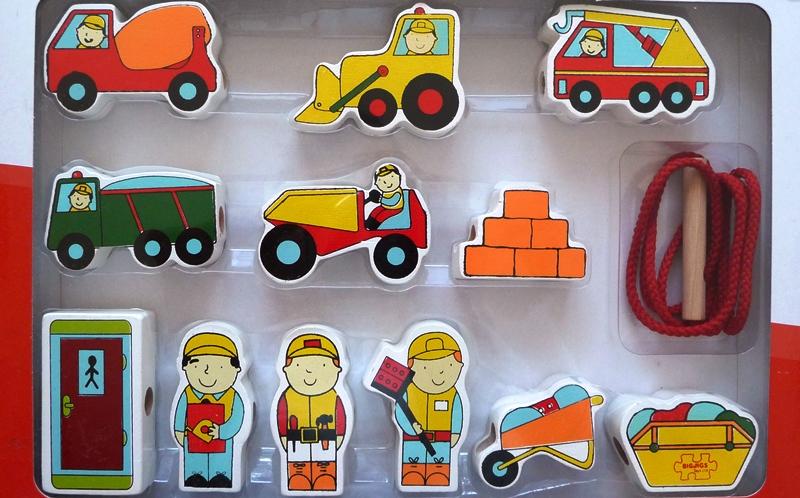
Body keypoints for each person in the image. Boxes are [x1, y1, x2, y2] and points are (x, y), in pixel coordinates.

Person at [173, 332, 246, 489]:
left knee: (221, 465)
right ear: (185, 367)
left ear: (236, 369)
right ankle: (194, 475)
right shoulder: (188, 394)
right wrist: (179, 431)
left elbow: (237, 418)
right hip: (192, 440)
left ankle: (220, 475)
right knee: (194, 465)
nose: (207, 372)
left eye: (220, 367)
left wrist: (222, 432)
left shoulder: (232, 396)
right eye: (197, 365)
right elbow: (180, 414)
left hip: (222, 442)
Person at [276, 333, 347, 492]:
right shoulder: (287, 397)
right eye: (299, 365)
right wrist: (284, 437)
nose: (309, 371)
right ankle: (298, 478)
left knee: (325, 463)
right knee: (298, 463)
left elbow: (341, 417)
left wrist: (339, 437)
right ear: (286, 368)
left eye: (322, 365)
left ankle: (325, 478)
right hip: (295, 438)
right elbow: (281, 418)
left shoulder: (334, 397)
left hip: (326, 438)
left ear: (337, 367)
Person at [395, 331, 464, 487]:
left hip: (442, 438)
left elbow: (457, 414)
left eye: (448, 365)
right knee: (413, 467)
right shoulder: (408, 391)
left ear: (459, 365)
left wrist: (455, 433)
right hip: (413, 439)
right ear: (411, 367)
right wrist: (410, 428)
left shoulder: (452, 394)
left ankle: (438, 477)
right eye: (425, 367)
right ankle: (412, 476)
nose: (437, 374)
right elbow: (400, 412)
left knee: (439, 468)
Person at [366, 164, 405, 230]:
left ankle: (374, 226)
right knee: (376, 211)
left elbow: (392, 201)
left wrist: (380, 199)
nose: (387, 183)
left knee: (383, 215)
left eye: (392, 177)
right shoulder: (386, 192)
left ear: (399, 177)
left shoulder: (397, 192)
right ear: (376, 183)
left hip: (395, 209)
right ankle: (368, 222)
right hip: (385, 207)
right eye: (381, 180)